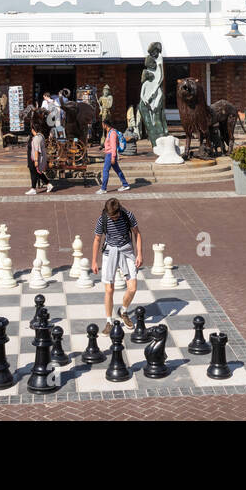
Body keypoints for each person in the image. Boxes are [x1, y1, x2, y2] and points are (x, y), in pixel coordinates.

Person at [92, 197, 142, 334]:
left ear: (119, 210)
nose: (113, 219)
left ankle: (123, 311)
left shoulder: (128, 215)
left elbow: (137, 233)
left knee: (132, 288)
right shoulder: (103, 219)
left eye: (115, 216)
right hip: (109, 253)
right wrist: (94, 261)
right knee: (109, 290)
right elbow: (97, 239)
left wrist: (139, 254)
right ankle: (108, 321)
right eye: (111, 217)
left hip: (126, 251)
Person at [97, 119, 132, 194]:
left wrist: (113, 157)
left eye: (102, 124)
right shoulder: (109, 132)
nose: (102, 126)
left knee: (105, 171)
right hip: (109, 154)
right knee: (117, 170)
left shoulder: (112, 133)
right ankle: (125, 184)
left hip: (110, 155)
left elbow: (113, 146)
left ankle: (103, 188)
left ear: (105, 125)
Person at [26, 123, 53, 194]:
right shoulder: (41, 136)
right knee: (38, 172)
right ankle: (48, 184)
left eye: (31, 129)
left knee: (34, 173)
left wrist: (36, 160)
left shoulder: (36, 138)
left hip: (34, 158)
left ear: (33, 129)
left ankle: (33, 189)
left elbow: (36, 150)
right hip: (33, 158)